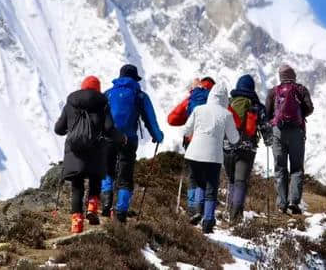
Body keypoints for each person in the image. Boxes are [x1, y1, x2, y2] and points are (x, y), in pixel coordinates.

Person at [54, 76, 126, 234]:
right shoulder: (103, 105)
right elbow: (108, 129)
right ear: (98, 89)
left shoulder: (71, 104)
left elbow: (58, 129)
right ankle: (92, 207)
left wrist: (71, 127)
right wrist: (122, 138)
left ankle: (76, 222)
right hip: (96, 150)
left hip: (75, 151)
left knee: (77, 186)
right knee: (95, 180)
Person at [100, 64, 164, 223]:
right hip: (129, 139)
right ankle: (121, 211)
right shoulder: (139, 95)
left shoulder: (108, 94)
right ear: (135, 79)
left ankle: (106, 205)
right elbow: (150, 119)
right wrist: (157, 136)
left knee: (107, 170)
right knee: (125, 175)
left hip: (108, 138)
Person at [184, 83, 240, 233]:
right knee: (211, 188)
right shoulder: (226, 114)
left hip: (193, 153)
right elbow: (234, 138)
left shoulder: (198, 109)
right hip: (213, 156)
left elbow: (186, 130)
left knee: (198, 183)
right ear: (225, 99)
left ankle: (196, 211)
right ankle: (208, 221)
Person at [265, 65, 314, 215]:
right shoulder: (300, 89)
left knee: (280, 168)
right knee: (297, 168)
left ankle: (281, 203)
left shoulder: (273, 91)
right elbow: (310, 108)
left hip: (278, 132)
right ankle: (294, 202)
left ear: (281, 76)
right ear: (293, 75)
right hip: (297, 133)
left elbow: (267, 113)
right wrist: (299, 115)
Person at [224, 74, 272, 223]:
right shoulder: (258, 107)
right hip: (247, 149)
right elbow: (266, 128)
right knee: (240, 182)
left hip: (227, 147)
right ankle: (235, 217)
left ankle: (229, 212)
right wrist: (269, 141)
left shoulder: (229, 103)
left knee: (232, 180)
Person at [167, 76, 216, 217]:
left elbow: (171, 119)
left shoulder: (192, 98)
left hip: (191, 140)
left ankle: (191, 208)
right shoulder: (215, 100)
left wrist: (187, 119)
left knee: (193, 174)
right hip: (209, 141)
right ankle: (199, 208)